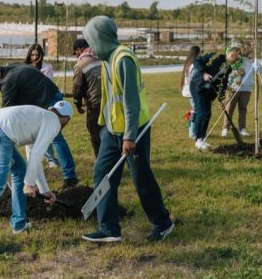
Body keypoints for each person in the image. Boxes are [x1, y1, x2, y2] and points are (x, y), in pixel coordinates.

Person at [81, 15, 174, 243]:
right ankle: (108, 229)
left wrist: (130, 136)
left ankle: (163, 223)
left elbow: (130, 101)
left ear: (101, 38)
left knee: (141, 178)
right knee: (101, 174)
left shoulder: (123, 59)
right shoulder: (106, 59)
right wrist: (105, 128)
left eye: (91, 41)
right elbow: (111, 98)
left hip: (133, 133)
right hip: (112, 132)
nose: (90, 47)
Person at [0, 102, 72, 255]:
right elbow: (37, 155)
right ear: (66, 119)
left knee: (20, 171)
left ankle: (18, 223)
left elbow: (33, 156)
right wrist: (29, 184)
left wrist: (44, 190)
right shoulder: (54, 123)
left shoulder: (41, 116)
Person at [0, 62, 78, 188]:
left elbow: (6, 112)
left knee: (56, 137)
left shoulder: (8, 81)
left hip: (48, 99)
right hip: (45, 96)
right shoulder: (10, 68)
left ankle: (70, 177)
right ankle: (41, 181)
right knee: (35, 143)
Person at [189, 46, 241, 149]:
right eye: (236, 57)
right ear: (231, 55)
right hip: (198, 86)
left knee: (207, 113)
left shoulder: (228, 68)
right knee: (203, 112)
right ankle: (198, 139)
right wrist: (204, 73)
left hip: (209, 92)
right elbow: (197, 60)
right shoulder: (215, 57)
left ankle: (201, 138)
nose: (236, 60)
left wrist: (221, 98)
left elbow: (223, 83)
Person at [24, 43, 57, 167]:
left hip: (42, 103)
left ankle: (51, 159)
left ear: (41, 55)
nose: (34, 57)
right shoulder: (26, 67)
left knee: (45, 132)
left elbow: (47, 85)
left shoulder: (47, 68)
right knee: (31, 133)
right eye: (32, 54)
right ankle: (32, 159)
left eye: (37, 55)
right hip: (28, 103)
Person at [72, 38, 103, 157]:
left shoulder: (81, 65)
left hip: (94, 105)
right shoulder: (101, 57)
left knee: (96, 135)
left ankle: (102, 164)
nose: (76, 56)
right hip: (110, 103)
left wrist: (78, 104)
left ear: (79, 49)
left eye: (76, 52)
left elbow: (77, 88)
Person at [222, 43, 256, 137]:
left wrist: (257, 65)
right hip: (233, 88)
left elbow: (258, 71)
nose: (249, 53)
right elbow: (227, 74)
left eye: (251, 52)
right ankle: (225, 128)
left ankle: (242, 128)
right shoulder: (234, 60)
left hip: (246, 89)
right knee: (229, 108)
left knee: (243, 109)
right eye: (247, 51)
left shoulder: (251, 62)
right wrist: (233, 81)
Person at [180, 45, 201, 141]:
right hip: (191, 91)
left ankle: (192, 130)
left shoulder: (188, 64)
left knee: (194, 110)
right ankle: (192, 132)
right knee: (195, 111)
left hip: (188, 91)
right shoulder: (194, 65)